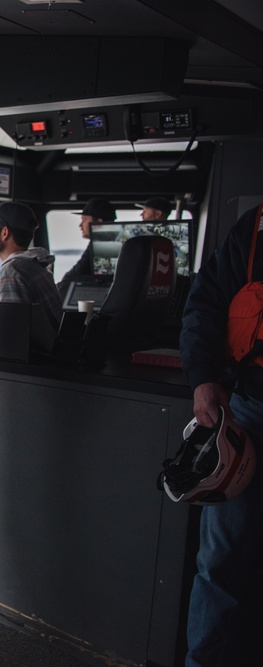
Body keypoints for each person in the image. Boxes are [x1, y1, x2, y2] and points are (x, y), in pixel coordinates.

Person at [179, 201, 263, 667]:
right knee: (220, 563)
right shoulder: (254, 228)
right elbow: (206, 302)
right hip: (251, 409)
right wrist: (203, 377)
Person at [0, 201, 62, 332]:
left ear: (4, 232)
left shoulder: (11, 271)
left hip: (36, 351)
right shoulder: (34, 265)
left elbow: (11, 333)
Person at [56, 197, 116, 297]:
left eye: (84, 220)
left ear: (98, 222)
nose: (80, 225)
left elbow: (74, 276)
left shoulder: (100, 246)